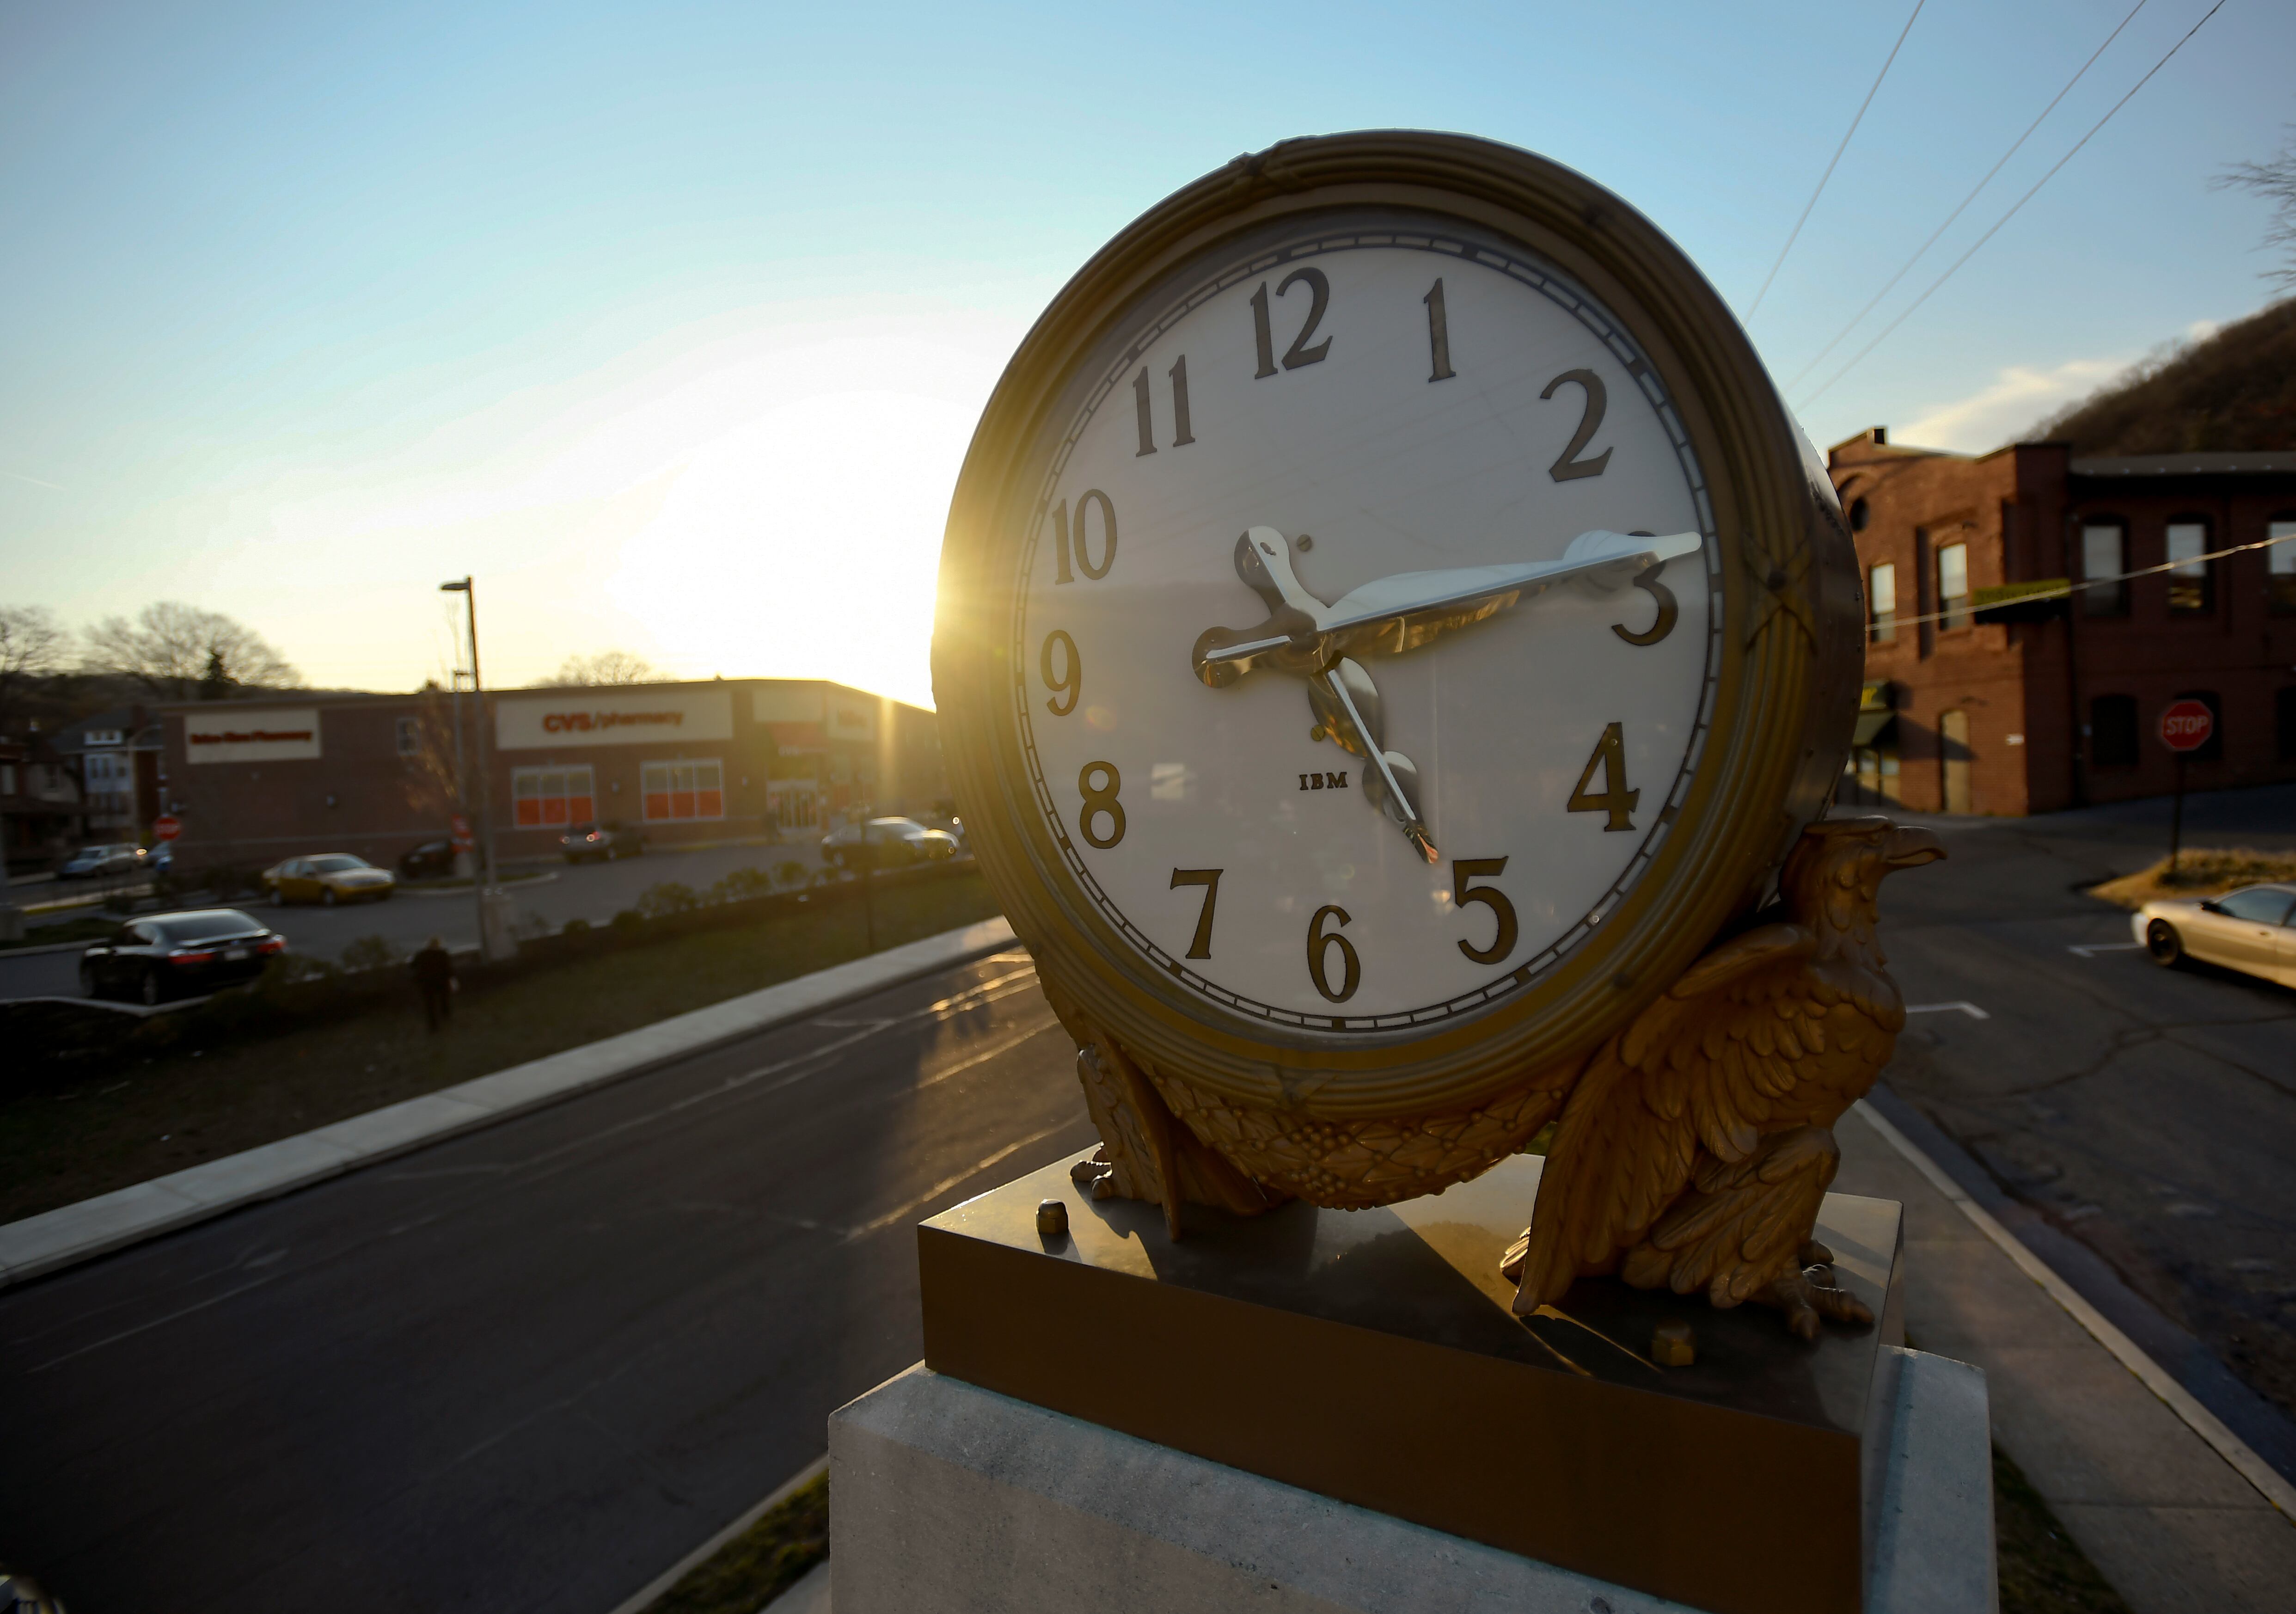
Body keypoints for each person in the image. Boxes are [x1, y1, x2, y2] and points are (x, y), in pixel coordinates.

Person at [411, 936, 455, 1031]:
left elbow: (413, 967)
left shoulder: (421, 955)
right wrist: (451, 979)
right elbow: (448, 969)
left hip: (426, 984)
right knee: (444, 1000)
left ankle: (433, 1026)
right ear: (438, 944)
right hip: (441, 982)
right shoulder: (443, 954)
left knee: (430, 1005)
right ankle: (446, 1015)